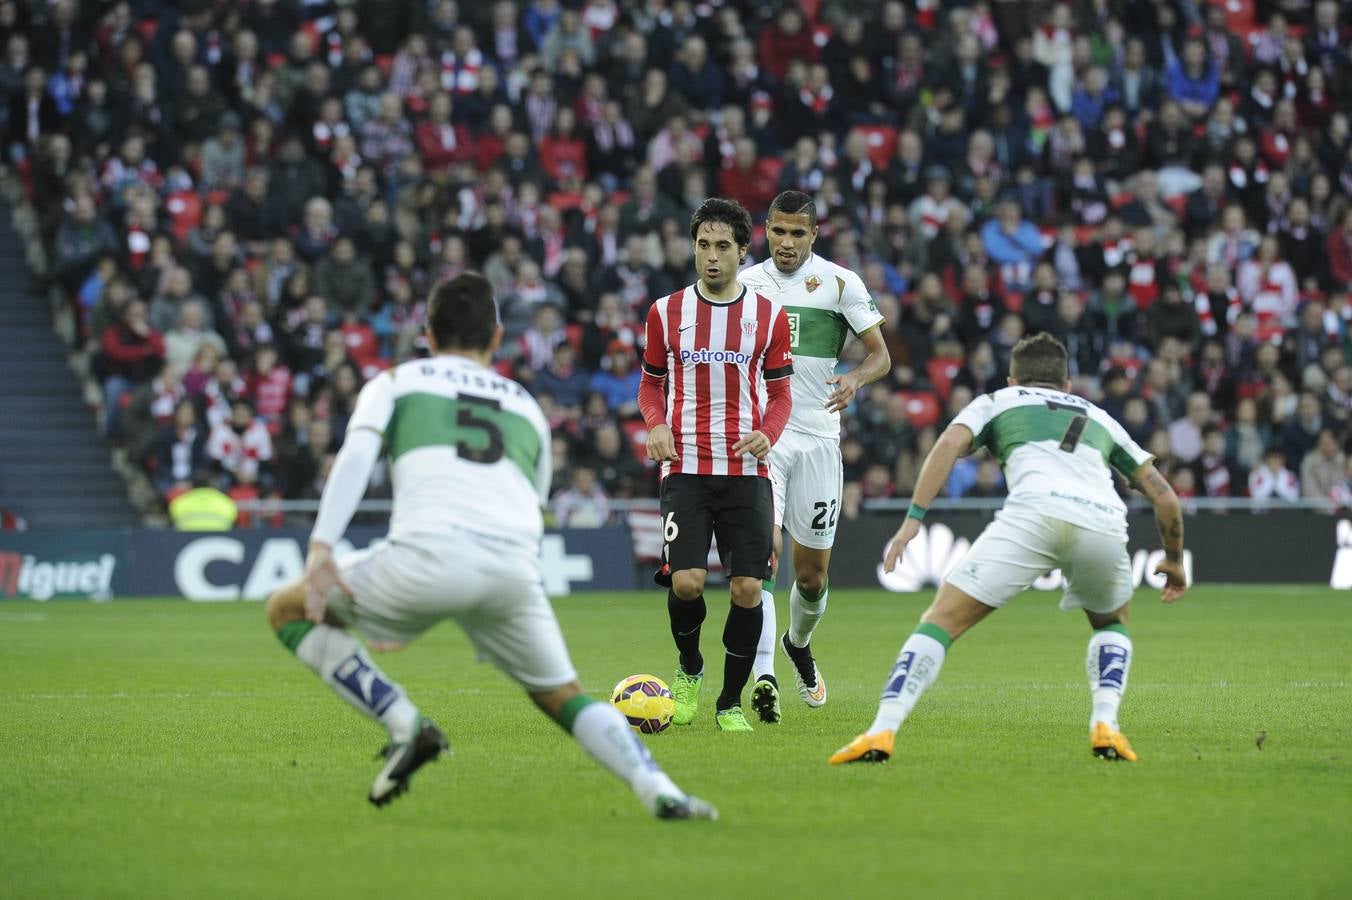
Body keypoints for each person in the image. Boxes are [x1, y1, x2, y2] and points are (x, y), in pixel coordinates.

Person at [264, 273, 715, 820]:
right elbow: (535, 499)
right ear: (496, 339)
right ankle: (660, 790)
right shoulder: (525, 406)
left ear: (427, 334)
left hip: (422, 559)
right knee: (564, 696)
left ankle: (405, 723)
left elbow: (356, 456)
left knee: (286, 608)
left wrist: (321, 550)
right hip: (511, 569)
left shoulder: (397, 382)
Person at [830, 333, 1188, 766]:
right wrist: (1172, 558)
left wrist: (912, 521)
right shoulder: (1100, 417)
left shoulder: (999, 400)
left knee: (940, 622)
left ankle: (881, 731)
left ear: (1014, 377)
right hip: (1103, 522)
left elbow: (946, 445)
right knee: (1111, 622)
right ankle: (1106, 723)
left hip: (1032, 515)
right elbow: (1166, 497)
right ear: (1068, 385)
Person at [638, 198, 794, 733]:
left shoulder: (767, 316)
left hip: (747, 473)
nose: (711, 256)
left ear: (742, 252)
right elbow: (649, 385)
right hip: (685, 466)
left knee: (748, 590)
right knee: (685, 582)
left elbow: (780, 397)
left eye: (722, 246)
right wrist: (655, 424)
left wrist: (768, 434)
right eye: (703, 244)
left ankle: (729, 702)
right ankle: (689, 669)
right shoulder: (666, 312)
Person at [736, 190, 891, 722]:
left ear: (813, 235)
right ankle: (764, 679)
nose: (785, 242)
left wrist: (855, 377)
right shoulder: (746, 284)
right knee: (761, 558)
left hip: (819, 439)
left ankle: (797, 645)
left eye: (796, 233)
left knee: (811, 577)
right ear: (766, 230)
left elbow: (881, 356)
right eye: (777, 231)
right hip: (762, 439)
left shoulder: (841, 283)